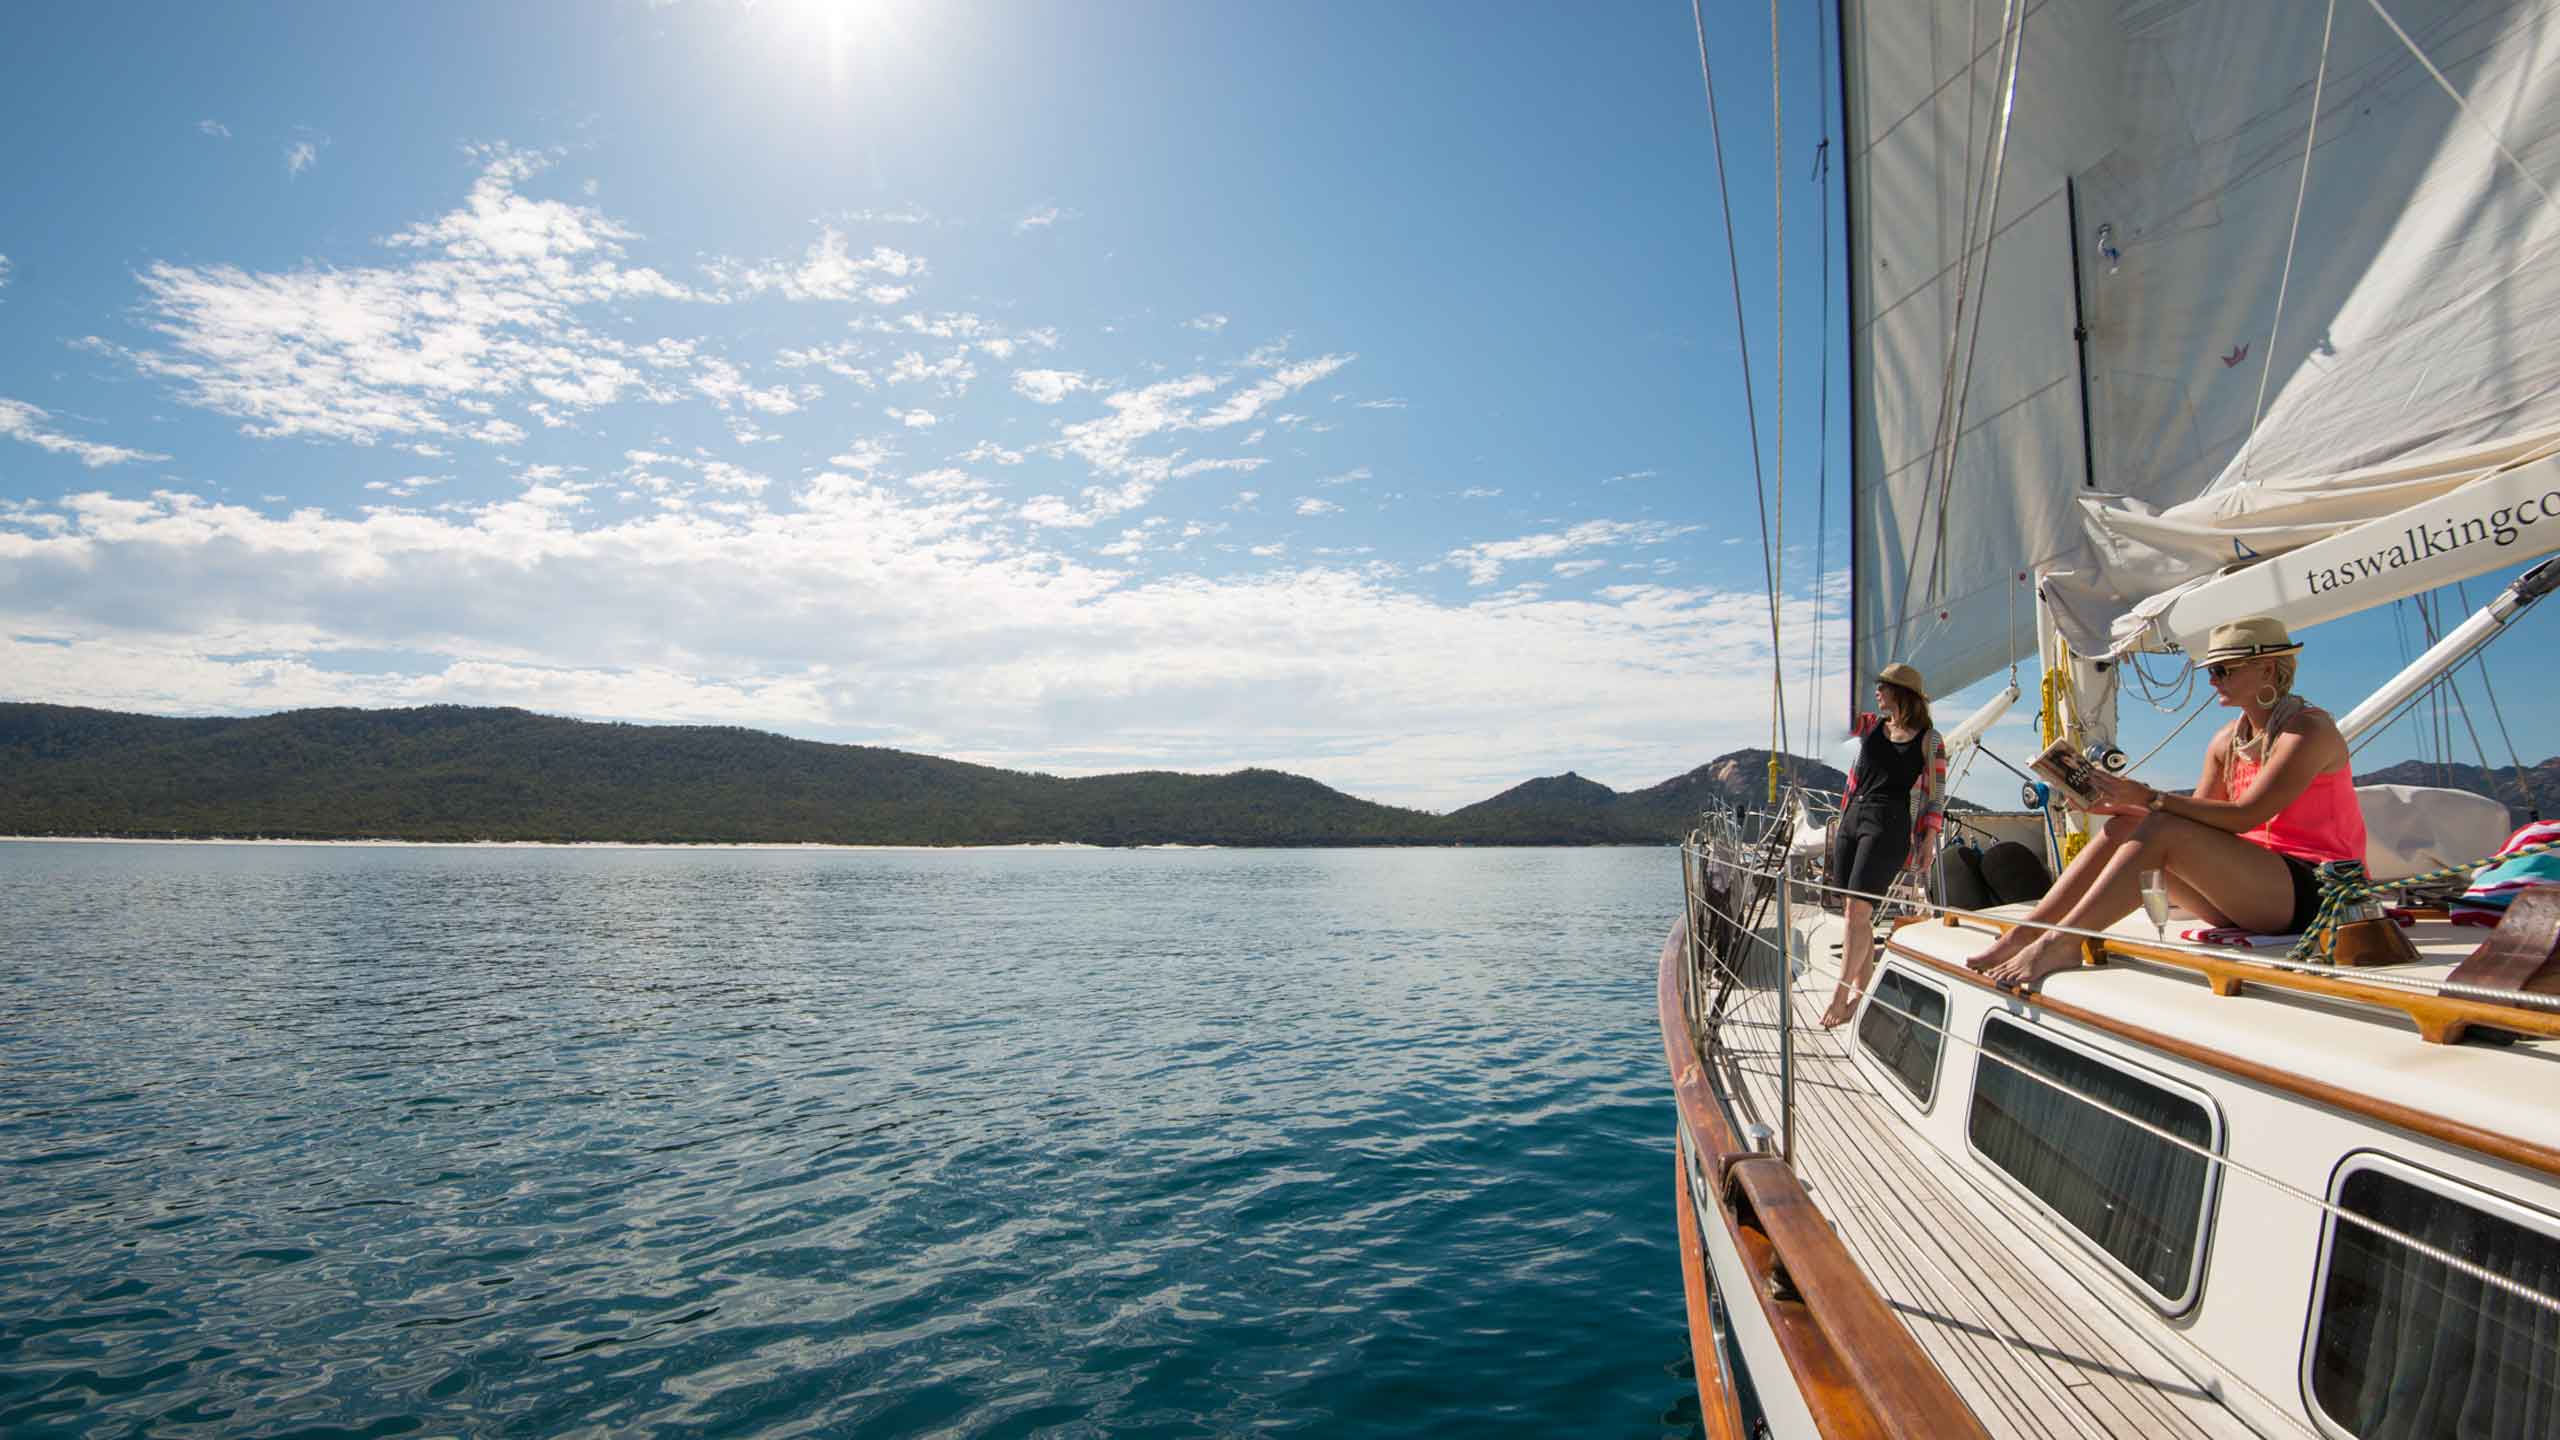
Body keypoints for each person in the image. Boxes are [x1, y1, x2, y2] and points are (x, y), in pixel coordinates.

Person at [1967, 616, 2367, 992]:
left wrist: (2149, 798)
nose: (2213, 681)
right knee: (2125, 826)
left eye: (2223, 670)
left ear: (2267, 669)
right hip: (2251, 891)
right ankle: (2027, 931)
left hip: (2318, 890)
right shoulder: (2227, 741)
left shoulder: (2307, 731)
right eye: (2209, 671)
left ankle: (2063, 942)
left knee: (2157, 825)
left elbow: (2249, 815)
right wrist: (2130, 807)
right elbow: (2203, 826)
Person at [1819, 663, 1948, 1028]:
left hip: (1889, 824)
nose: (1877, 691)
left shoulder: (1929, 739)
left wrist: (1928, 839)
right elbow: (1837, 718)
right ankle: (1862, 995)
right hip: (1852, 818)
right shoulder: (1870, 725)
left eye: (1883, 686)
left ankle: (1839, 996)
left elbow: (1936, 796)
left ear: (1900, 693)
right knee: (1853, 911)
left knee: (1857, 913)